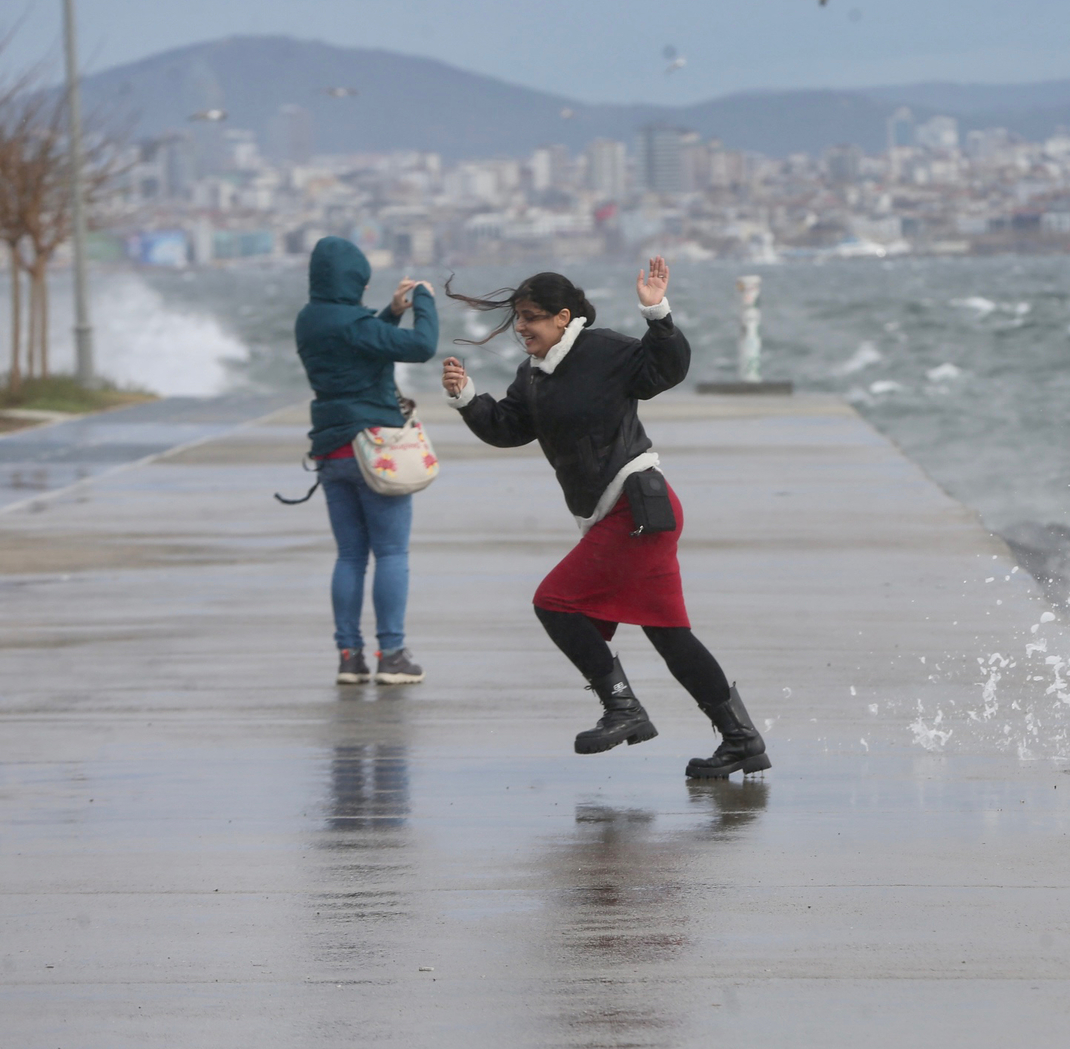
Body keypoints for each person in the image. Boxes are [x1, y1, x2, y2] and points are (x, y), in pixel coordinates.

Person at [440, 259, 770, 779]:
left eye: (530, 317)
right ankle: (741, 740)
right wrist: (465, 399)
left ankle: (624, 709)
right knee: (670, 636)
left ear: (562, 317)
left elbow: (669, 368)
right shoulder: (534, 375)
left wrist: (656, 311)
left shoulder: (606, 351)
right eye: (518, 318)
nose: (521, 327)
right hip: (620, 514)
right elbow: (508, 428)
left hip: (635, 507)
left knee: (555, 602)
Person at [295, 237, 439, 685]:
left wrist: (391, 312)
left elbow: (358, 345)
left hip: (331, 451)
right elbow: (421, 346)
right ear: (357, 278)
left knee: (351, 556)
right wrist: (425, 302)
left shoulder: (311, 320)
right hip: (375, 451)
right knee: (392, 552)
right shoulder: (353, 322)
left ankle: (349, 657)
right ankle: (392, 655)